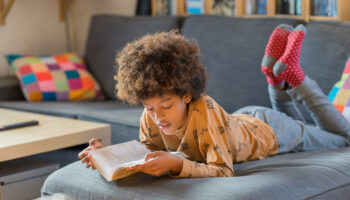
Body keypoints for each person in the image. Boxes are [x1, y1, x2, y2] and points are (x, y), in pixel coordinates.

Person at [78, 25, 350, 178]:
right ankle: (275, 79)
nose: (158, 117)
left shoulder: (203, 110)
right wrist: (107, 154)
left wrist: (176, 164)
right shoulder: (151, 114)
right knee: (306, 127)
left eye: (166, 106)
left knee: (343, 138)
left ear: (186, 94)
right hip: (246, 120)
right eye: (149, 108)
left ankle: (294, 78)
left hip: (272, 132)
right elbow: (145, 153)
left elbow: (222, 171)